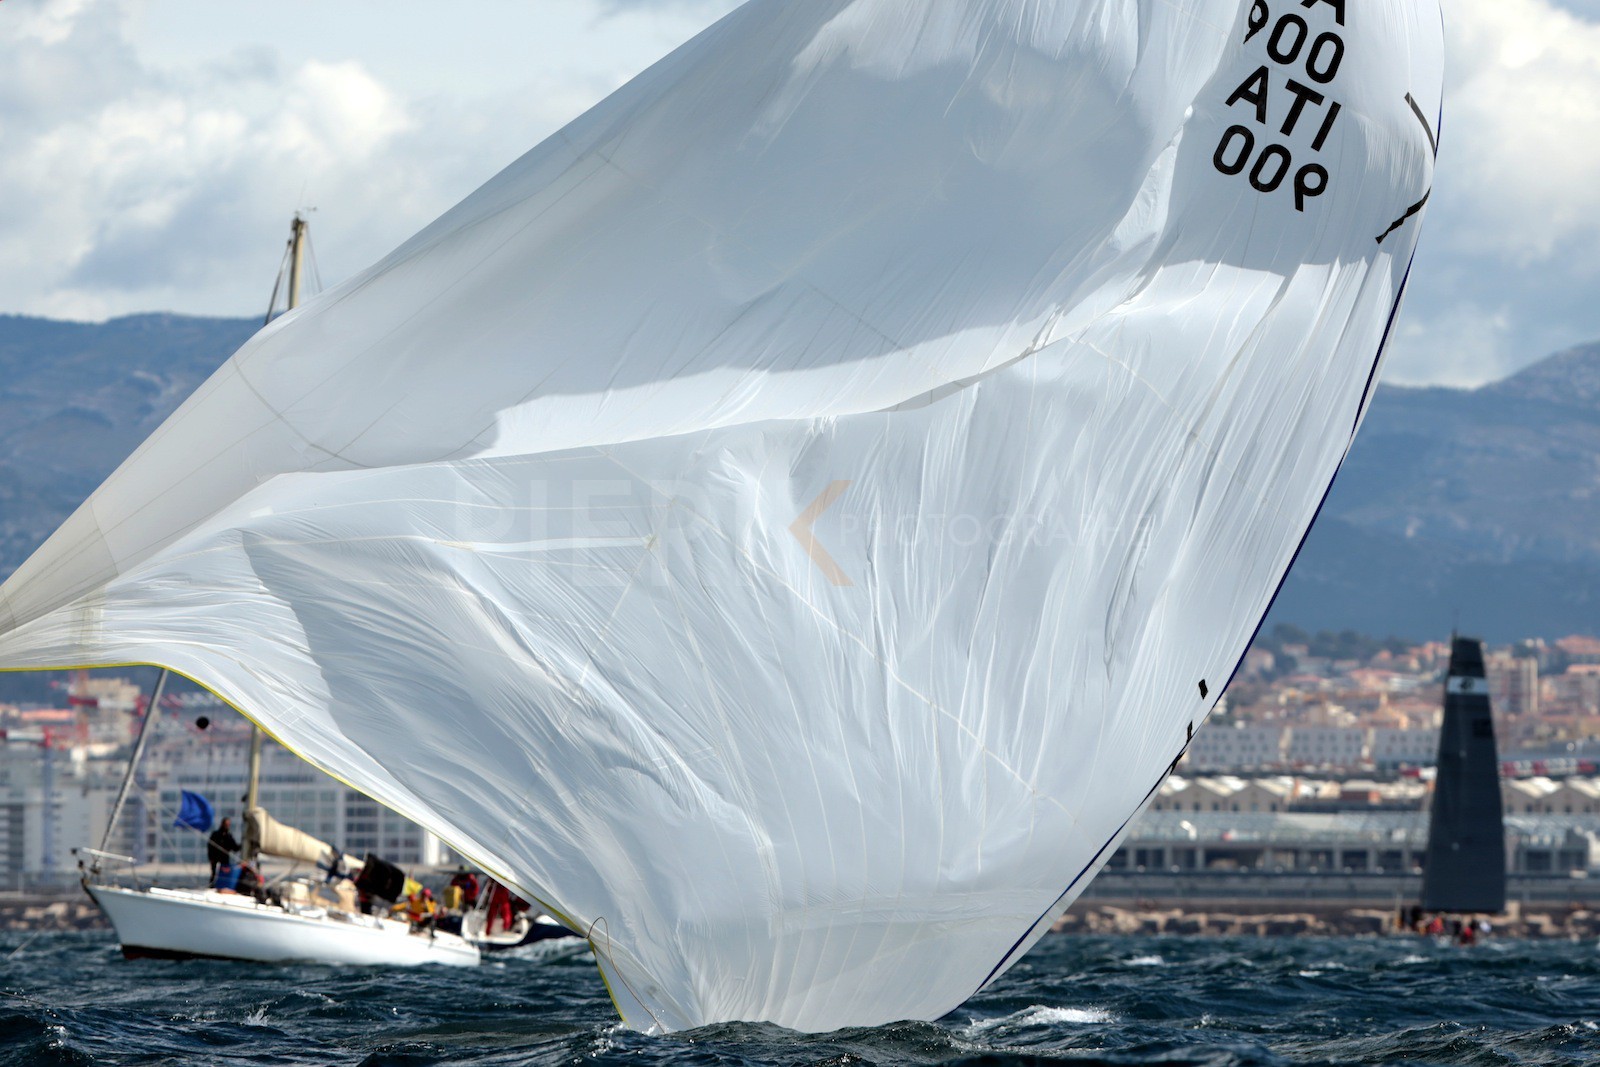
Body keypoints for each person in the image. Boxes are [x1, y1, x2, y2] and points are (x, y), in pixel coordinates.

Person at [208, 817, 240, 885]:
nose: (227, 826)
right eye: (226, 824)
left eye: (228, 825)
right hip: (216, 860)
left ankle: (222, 886)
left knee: (224, 875)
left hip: (225, 861)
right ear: (222, 824)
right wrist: (211, 858)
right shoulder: (215, 834)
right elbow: (210, 847)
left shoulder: (229, 836)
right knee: (215, 875)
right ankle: (213, 885)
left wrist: (244, 845)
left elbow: (235, 848)